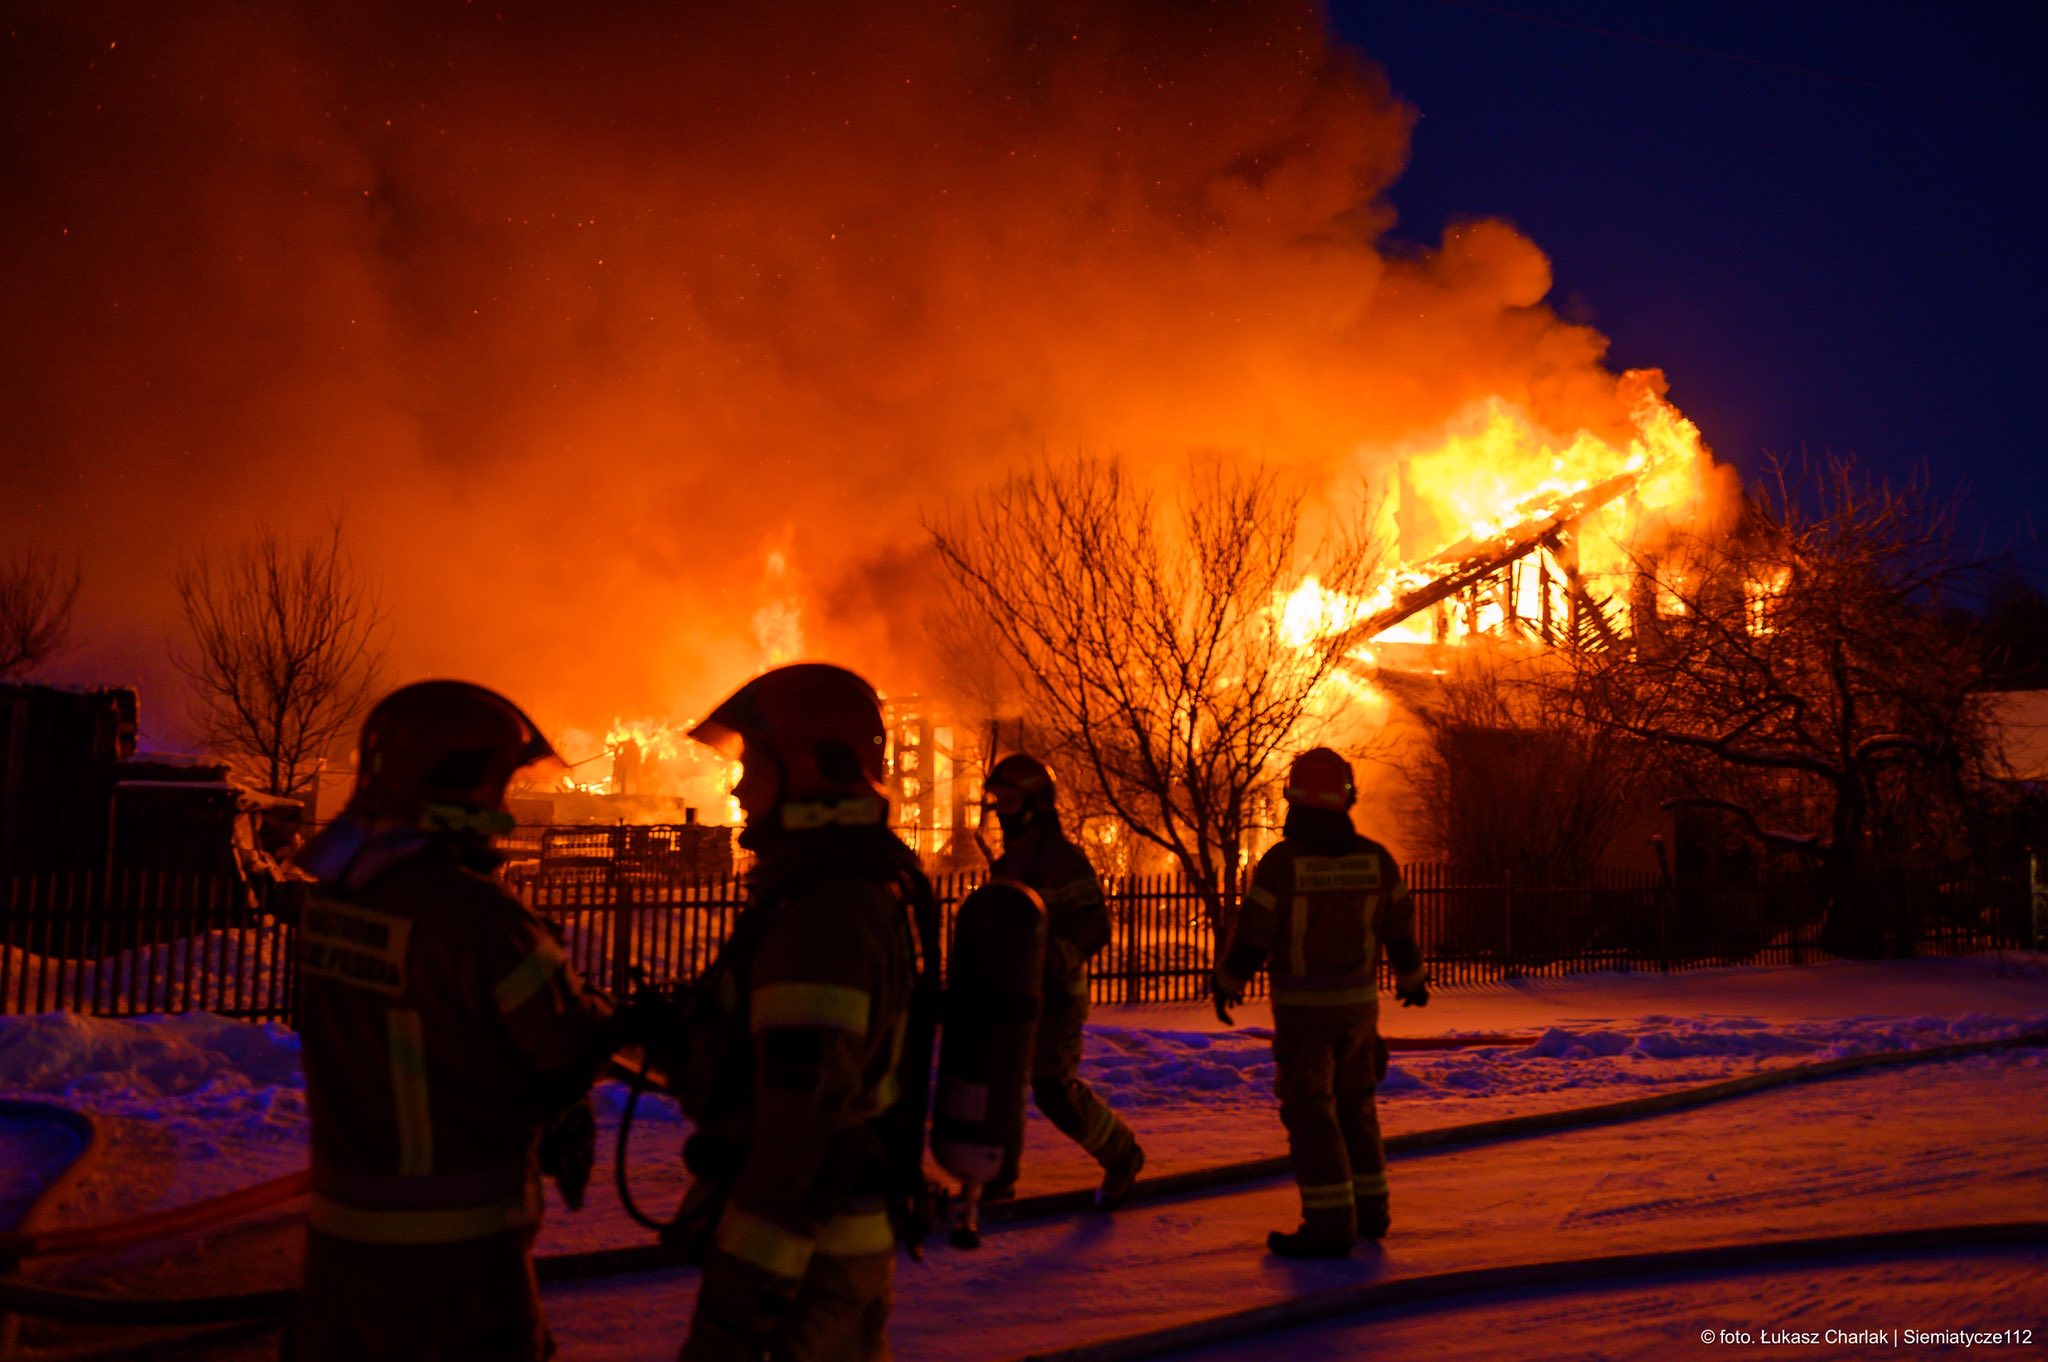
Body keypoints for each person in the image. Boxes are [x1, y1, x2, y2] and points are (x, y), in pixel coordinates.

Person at [290, 681, 616, 1361]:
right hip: (461, 1266)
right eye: (497, 788)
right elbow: (564, 1044)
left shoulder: (337, 900)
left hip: (338, 1255)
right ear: (460, 786)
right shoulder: (483, 924)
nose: (502, 809)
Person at [678, 663, 931, 1362]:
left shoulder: (827, 919)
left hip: (807, 1267)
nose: (735, 786)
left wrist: (732, 1320)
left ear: (807, 767)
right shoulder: (817, 896)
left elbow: (797, 1144)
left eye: (749, 764)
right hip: (816, 1257)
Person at [1211, 747, 1428, 1258]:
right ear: (1346, 798)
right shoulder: (1375, 860)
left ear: (1294, 801)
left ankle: (1331, 1226)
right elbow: (1399, 929)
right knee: (1357, 1108)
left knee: (1312, 1115)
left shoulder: (1282, 866)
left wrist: (1228, 981)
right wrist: (1412, 979)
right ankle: (1371, 1213)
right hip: (1359, 1015)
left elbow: (1253, 938)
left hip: (1305, 1019)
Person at [981, 754, 1145, 1209]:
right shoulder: (1010, 863)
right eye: (998, 802)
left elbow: (1096, 926)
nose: (1001, 813)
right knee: (1002, 1085)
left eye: (1009, 802)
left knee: (1052, 1088)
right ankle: (997, 1179)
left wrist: (1057, 956)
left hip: (1056, 996)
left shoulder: (1062, 860)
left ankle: (1122, 1154)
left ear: (1035, 804)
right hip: (1015, 997)